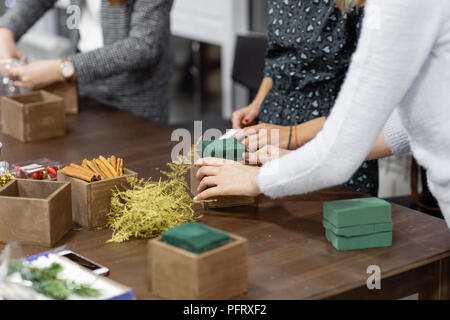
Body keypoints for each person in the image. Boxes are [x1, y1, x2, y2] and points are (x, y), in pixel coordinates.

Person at [195, 0, 450, 229]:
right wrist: (288, 156)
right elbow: (397, 128)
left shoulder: (399, 8)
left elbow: (342, 152)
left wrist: (258, 179)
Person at [232, 0, 379, 196]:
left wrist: (294, 134)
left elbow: (370, 100)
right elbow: (277, 59)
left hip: (327, 128)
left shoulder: (362, 4)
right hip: (273, 122)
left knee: (322, 219)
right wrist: (257, 104)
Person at [0, 0, 173, 123]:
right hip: (84, 87)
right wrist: (6, 30)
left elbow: (144, 45)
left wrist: (62, 69)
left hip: (135, 96)